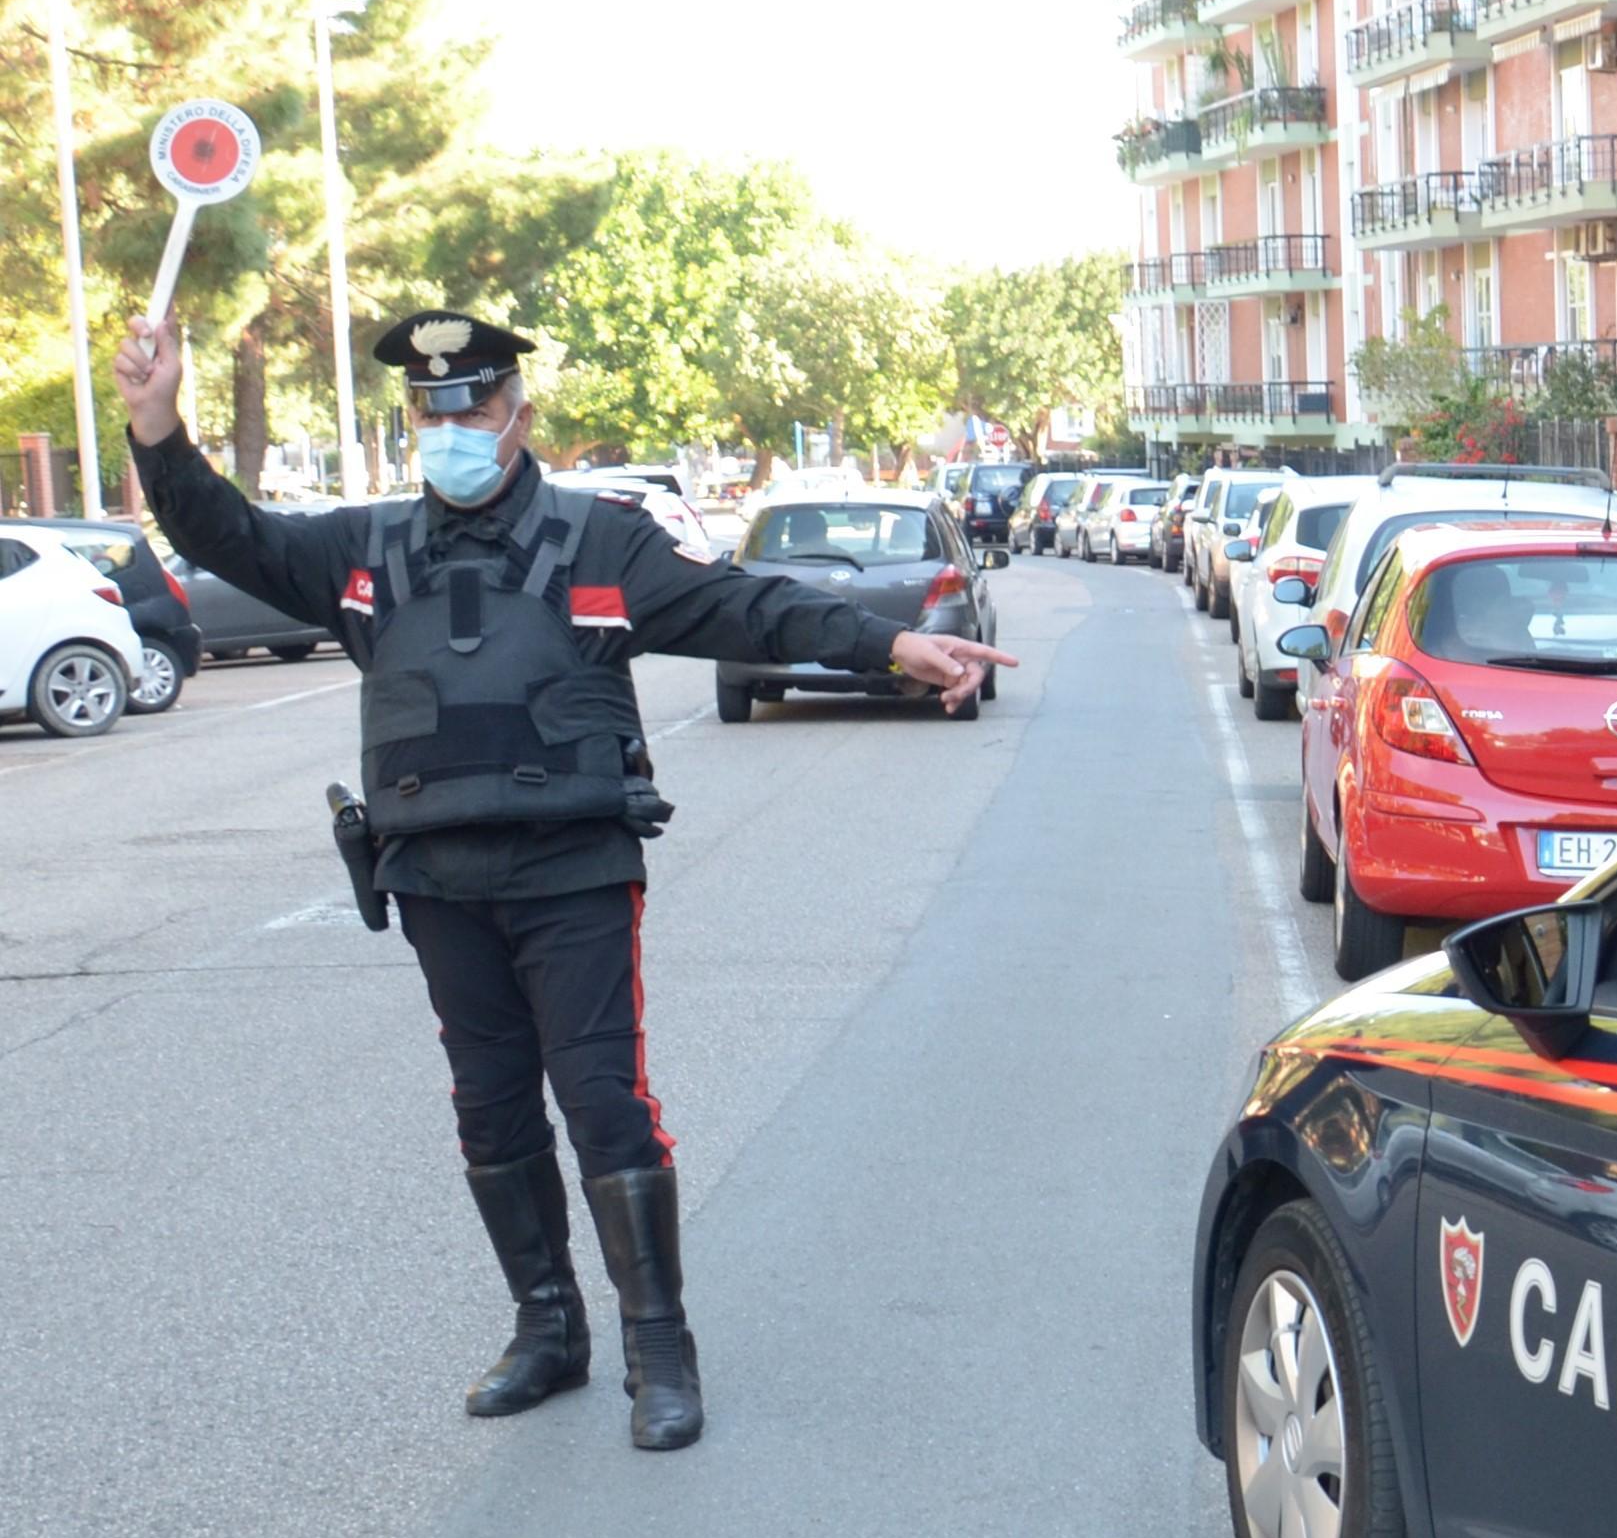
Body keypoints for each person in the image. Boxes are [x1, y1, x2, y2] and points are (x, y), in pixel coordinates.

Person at [113, 306, 1012, 1451]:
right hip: (437, 876)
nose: (451, 428)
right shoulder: (362, 549)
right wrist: (157, 426)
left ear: (518, 415)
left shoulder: (601, 542)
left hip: (572, 872)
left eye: (474, 408)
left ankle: (659, 1348)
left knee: (603, 1104)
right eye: (430, 411)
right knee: (488, 1108)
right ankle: (547, 1327)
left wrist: (888, 644)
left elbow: (745, 604)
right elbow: (223, 530)